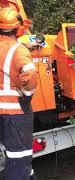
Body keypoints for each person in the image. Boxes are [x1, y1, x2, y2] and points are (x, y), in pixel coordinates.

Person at [0, 7, 37, 180]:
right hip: (15, 113)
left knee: (9, 153)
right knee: (18, 158)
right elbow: (29, 74)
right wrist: (27, 96)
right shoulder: (18, 49)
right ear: (19, 29)